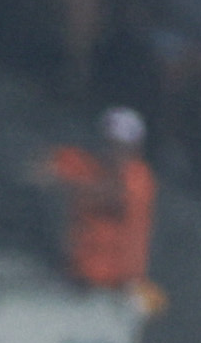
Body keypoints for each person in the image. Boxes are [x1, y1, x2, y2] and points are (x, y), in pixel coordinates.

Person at [36, 109, 157, 307]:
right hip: (77, 281)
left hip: (119, 290)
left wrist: (67, 183)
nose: (113, 152)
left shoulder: (140, 177)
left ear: (135, 149)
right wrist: (52, 171)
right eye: (108, 143)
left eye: (121, 146)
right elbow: (39, 172)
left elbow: (111, 196)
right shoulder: (85, 166)